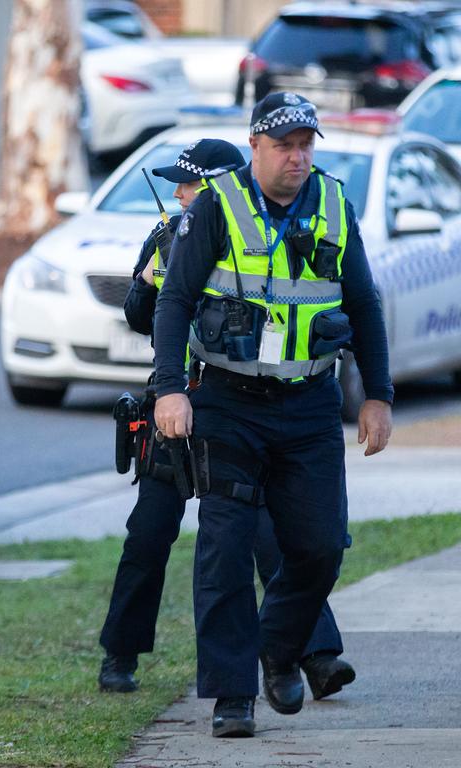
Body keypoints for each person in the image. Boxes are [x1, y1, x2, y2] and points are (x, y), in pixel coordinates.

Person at [152, 93, 393, 738]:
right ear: (254, 146)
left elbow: (365, 304)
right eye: (285, 145)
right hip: (228, 402)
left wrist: (378, 394)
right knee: (226, 547)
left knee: (319, 546)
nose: (298, 156)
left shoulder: (335, 204)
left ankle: (279, 648)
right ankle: (233, 696)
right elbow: (173, 301)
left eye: (306, 144)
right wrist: (169, 389)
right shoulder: (217, 205)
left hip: (310, 404)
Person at [99, 140, 354, 719]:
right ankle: (120, 654)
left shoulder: (256, 230)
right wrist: (148, 277)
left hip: (235, 412)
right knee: (149, 533)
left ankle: (313, 655)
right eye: (177, 187)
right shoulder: (170, 234)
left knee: (270, 537)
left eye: (188, 186)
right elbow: (143, 316)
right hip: (174, 413)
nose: (179, 196)